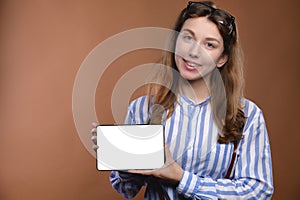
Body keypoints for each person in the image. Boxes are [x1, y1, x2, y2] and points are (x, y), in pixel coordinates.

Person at [91, 1, 274, 199]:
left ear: (222, 58)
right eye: (188, 37)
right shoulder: (142, 108)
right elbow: (127, 189)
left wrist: (182, 179)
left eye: (209, 44)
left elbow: (259, 191)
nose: (193, 52)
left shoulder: (248, 115)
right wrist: (124, 163)